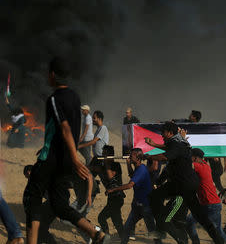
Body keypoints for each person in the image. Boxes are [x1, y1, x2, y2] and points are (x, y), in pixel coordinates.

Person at [22, 57, 109, 244]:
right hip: (64, 163)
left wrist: (75, 158)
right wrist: (72, 159)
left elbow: (66, 129)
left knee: (31, 198)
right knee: (60, 205)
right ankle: (95, 232)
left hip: (51, 160)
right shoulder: (75, 97)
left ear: (52, 75)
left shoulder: (53, 98)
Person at [146, 122, 225, 244]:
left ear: (170, 133)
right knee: (200, 216)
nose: (161, 134)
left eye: (163, 132)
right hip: (186, 184)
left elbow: (166, 156)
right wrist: (153, 144)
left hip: (181, 184)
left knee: (154, 196)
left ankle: (163, 229)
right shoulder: (180, 143)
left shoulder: (176, 144)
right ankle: (219, 240)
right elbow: (169, 148)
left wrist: (148, 157)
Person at [106, 148, 155, 244]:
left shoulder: (141, 169)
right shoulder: (140, 167)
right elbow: (133, 175)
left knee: (153, 232)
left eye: (131, 155)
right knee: (127, 229)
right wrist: (128, 164)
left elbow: (129, 185)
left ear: (138, 158)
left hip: (145, 205)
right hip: (138, 205)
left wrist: (113, 189)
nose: (129, 157)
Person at [186, 148, 226, 244]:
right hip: (208, 204)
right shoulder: (205, 165)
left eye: (191, 156)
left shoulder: (199, 166)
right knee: (190, 221)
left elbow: (185, 164)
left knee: (218, 231)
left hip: (211, 205)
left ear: (194, 158)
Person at [91, 145, 125, 238]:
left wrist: (105, 163)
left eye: (106, 154)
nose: (103, 156)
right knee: (116, 221)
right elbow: (91, 172)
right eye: (103, 154)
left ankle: (107, 237)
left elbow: (110, 176)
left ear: (111, 155)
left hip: (118, 197)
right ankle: (122, 238)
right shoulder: (101, 166)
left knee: (102, 218)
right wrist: (93, 164)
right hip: (111, 198)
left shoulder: (116, 165)